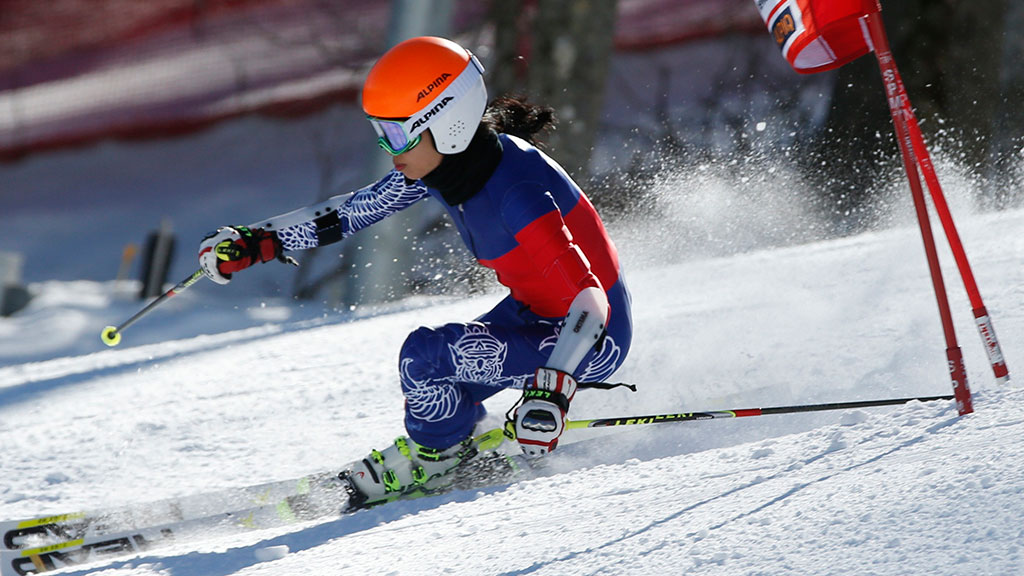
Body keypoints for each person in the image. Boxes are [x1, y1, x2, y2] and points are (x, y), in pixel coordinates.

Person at [197, 36, 632, 507]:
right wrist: (259, 240)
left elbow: (591, 301)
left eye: (398, 133)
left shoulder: (517, 192)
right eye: (379, 132)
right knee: (426, 365)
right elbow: (352, 212)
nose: (389, 148)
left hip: (588, 339)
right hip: (537, 317)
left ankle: (438, 458)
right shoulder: (453, 165)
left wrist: (553, 390)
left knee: (427, 356)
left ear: (448, 123)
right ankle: (455, 445)